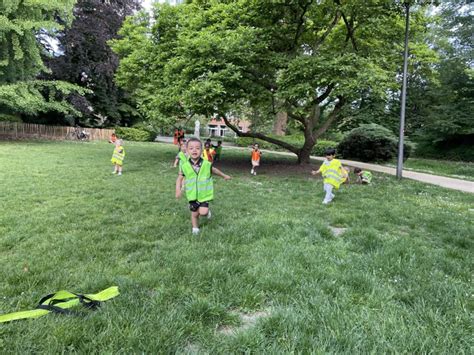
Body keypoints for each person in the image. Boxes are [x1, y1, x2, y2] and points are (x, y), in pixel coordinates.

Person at [176, 138, 231, 235]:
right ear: (187, 151)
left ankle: (207, 212)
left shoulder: (206, 164)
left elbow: (214, 170)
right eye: (191, 148)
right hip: (192, 194)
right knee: (194, 213)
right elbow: (180, 178)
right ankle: (195, 228)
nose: (194, 150)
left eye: (197, 148)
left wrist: (224, 176)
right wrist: (178, 189)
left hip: (204, 194)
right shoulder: (184, 166)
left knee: (203, 212)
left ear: (201, 151)